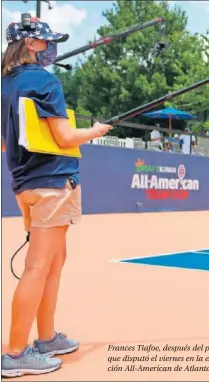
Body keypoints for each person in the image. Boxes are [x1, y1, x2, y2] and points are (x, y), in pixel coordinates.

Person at [1, 15, 112, 377]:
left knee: (52, 261)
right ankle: (16, 353)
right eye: (47, 42)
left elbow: (5, 143)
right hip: (52, 182)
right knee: (39, 265)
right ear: (31, 45)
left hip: (26, 185)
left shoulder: (5, 85)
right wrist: (96, 131)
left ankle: (46, 338)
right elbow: (64, 137)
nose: (52, 48)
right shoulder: (46, 81)